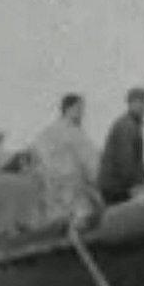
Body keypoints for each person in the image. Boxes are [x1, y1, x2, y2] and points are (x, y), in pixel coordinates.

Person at [32, 93, 103, 225]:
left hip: (52, 196)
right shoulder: (75, 133)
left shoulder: (45, 134)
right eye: (80, 109)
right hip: (76, 194)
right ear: (70, 108)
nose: (83, 113)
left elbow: (37, 165)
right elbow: (92, 164)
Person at [98, 88, 144, 204]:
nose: (142, 106)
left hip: (116, 185)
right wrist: (141, 184)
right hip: (117, 187)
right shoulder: (127, 126)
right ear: (130, 103)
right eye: (138, 102)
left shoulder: (130, 124)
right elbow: (126, 161)